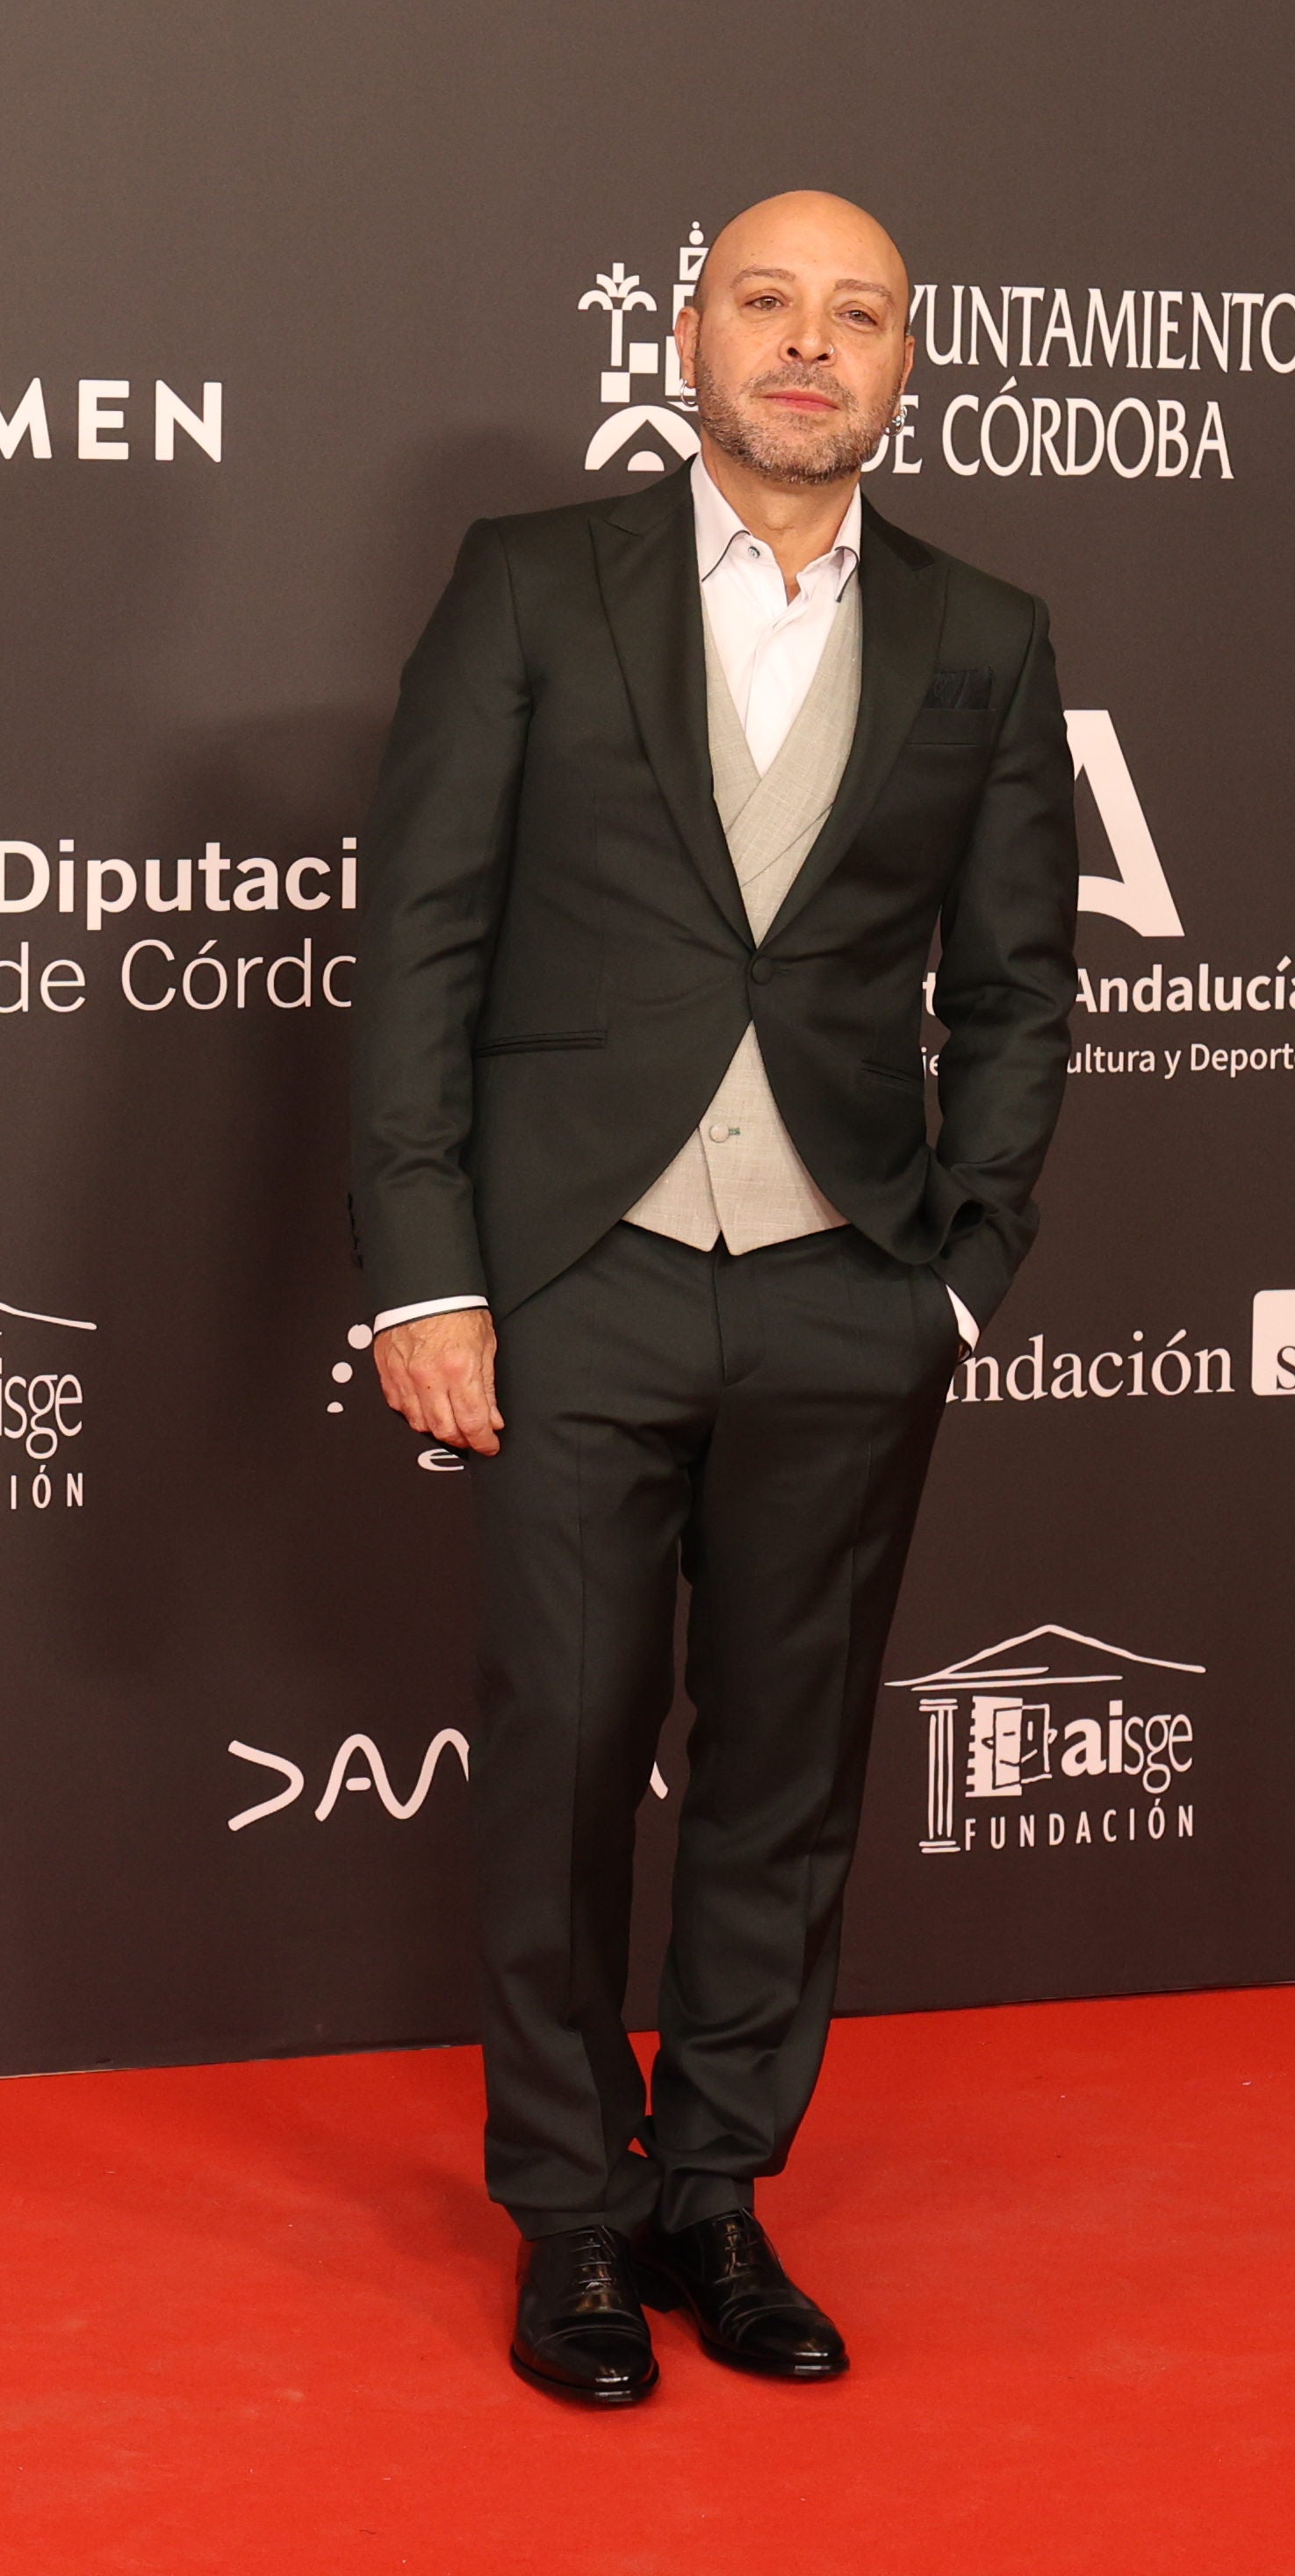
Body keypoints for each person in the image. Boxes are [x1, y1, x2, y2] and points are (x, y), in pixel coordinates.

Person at [349, 190, 1077, 2406]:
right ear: (690, 334)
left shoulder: (982, 631)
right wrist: (429, 1274)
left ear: (902, 366)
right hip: (577, 1282)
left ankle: (716, 2197)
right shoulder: (530, 586)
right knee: (566, 1752)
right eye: (769, 302)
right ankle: (571, 2220)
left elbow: (1023, 989)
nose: (808, 345)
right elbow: (422, 956)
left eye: (858, 316)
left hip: (851, 1293)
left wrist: (962, 1271)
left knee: (786, 1771)